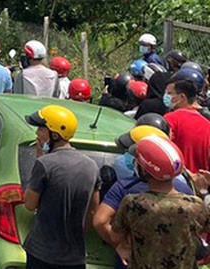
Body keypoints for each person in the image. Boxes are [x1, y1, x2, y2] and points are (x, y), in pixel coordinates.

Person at [111, 136, 209, 269]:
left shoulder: (133, 203)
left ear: (144, 170)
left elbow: (116, 235)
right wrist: (203, 190)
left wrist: (123, 247)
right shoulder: (195, 205)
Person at [23, 105, 101, 269]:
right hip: (75, 256)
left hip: (42, 254)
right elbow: (93, 210)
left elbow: (30, 204)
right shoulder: (92, 166)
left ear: (55, 134)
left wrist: (39, 158)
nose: (37, 133)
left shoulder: (45, 164)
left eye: (42, 129)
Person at [164, 78, 210, 173]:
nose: (166, 97)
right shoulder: (207, 125)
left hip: (172, 178)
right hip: (197, 184)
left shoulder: (171, 119)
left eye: (169, 93)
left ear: (182, 97)